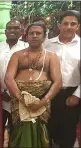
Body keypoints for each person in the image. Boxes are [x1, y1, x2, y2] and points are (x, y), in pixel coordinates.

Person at [5, 23, 62, 147]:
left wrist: (42, 102)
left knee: (40, 133)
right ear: (26, 36)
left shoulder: (51, 56)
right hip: (19, 101)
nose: (34, 36)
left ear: (44, 36)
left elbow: (58, 82)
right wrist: (21, 98)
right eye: (31, 33)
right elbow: (8, 78)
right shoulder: (17, 55)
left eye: (38, 33)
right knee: (18, 134)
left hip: (42, 100)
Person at [44, 10, 80, 148]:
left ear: (78, 26)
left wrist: (77, 95)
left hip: (72, 94)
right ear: (59, 26)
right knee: (48, 129)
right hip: (49, 93)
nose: (69, 27)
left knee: (68, 133)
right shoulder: (47, 44)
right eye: (65, 23)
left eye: (73, 24)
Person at [0, 20, 29, 135]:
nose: (12, 30)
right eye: (10, 28)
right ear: (5, 31)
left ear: (21, 31)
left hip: (18, 97)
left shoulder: (27, 48)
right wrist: (1, 92)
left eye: (16, 28)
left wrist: (13, 93)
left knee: (16, 131)